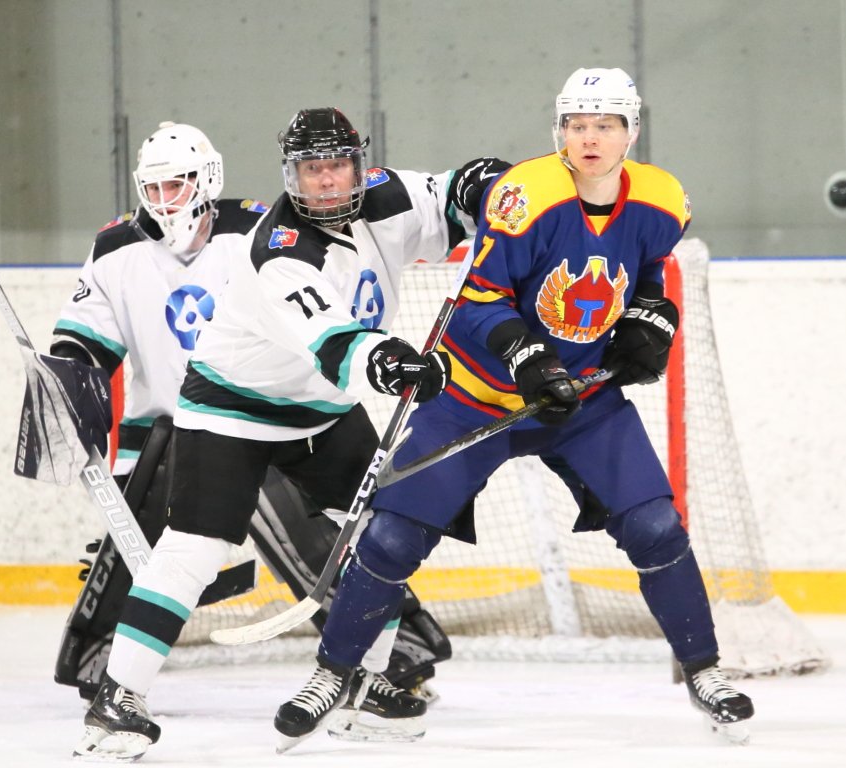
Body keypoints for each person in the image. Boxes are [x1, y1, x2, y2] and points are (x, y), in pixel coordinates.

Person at [275, 68, 755, 748]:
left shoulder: (662, 199)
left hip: (582, 400)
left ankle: (704, 672)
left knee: (655, 527)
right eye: (576, 125)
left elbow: (644, 274)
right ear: (558, 131)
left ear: (631, 132)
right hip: (474, 397)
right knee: (391, 539)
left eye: (605, 125)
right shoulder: (525, 196)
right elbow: (477, 300)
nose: (589, 138)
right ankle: (333, 674)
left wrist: (652, 317)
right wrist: (528, 357)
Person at [73, 107, 510, 761]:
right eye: (311, 170)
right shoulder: (278, 250)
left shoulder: (388, 196)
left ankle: (367, 684)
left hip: (322, 412)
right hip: (231, 409)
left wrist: (503, 190)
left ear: (358, 165)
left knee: (381, 537)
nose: (326, 181)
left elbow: (458, 194)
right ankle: (117, 701)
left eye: (336, 166)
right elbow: (336, 344)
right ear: (291, 175)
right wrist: (391, 362)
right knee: (194, 548)